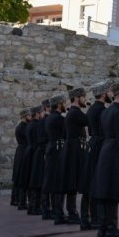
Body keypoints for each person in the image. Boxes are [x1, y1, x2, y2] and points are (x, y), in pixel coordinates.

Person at [92, 80, 119, 237]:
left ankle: (103, 227)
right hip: (115, 152)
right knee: (113, 190)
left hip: (105, 150)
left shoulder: (106, 111)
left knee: (104, 190)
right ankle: (111, 227)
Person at [59, 87, 88, 226]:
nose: (85, 99)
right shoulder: (75, 113)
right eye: (83, 97)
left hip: (72, 148)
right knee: (72, 180)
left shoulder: (72, 113)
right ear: (77, 98)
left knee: (71, 180)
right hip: (74, 149)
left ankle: (70, 211)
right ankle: (72, 212)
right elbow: (88, 120)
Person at [83, 81, 110, 231]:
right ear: (104, 94)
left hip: (93, 143)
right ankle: (96, 218)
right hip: (100, 144)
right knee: (96, 181)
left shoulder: (92, 109)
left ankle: (88, 217)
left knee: (90, 181)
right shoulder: (101, 110)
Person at [43, 94, 67, 225]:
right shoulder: (58, 119)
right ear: (59, 104)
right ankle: (58, 213)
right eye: (63, 103)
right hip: (58, 151)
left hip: (51, 149)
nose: (65, 105)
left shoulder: (48, 118)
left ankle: (52, 211)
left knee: (52, 181)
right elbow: (65, 134)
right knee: (58, 182)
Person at [11, 109, 30, 210]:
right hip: (23, 151)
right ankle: (17, 199)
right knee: (20, 175)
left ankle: (15, 199)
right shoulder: (22, 127)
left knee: (19, 175)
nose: (30, 117)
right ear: (24, 116)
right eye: (28, 116)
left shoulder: (22, 127)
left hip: (21, 151)